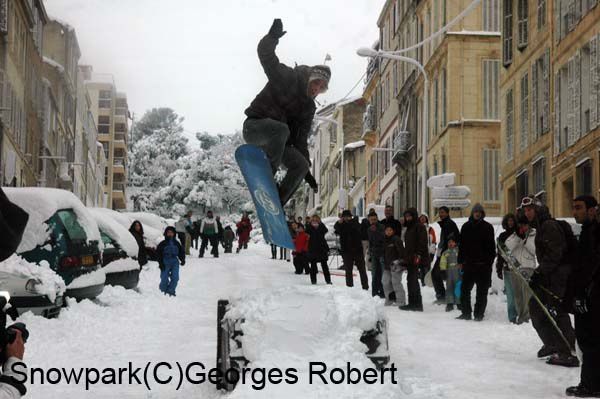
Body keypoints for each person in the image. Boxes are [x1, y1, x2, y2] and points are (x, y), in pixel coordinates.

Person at [243, 19, 328, 206]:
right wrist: (272, 37)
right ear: (309, 78)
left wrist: (307, 175)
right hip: (255, 128)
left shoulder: (308, 108)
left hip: (277, 145)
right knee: (281, 129)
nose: (316, 89)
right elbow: (265, 55)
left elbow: (300, 140)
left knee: (301, 164)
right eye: (316, 83)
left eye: (321, 88)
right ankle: (267, 177)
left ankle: (277, 202)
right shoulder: (286, 76)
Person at [522, 195, 578, 367]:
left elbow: (555, 254)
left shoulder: (549, 226)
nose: (527, 213)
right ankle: (552, 343)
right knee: (536, 307)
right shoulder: (540, 227)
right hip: (549, 275)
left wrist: (539, 273)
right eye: (525, 210)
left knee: (556, 311)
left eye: (530, 209)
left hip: (557, 276)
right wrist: (540, 274)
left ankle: (567, 352)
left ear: (538, 209)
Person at [566, 195, 600, 397]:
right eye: (573, 207)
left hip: (592, 299)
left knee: (590, 342)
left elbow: (592, 268)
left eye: (579, 207)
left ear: (592, 210)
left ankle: (592, 386)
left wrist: (583, 294)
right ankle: (589, 383)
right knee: (587, 342)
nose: (574, 211)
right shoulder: (586, 232)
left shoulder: (594, 234)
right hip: (587, 297)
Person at [456, 203, 496, 321]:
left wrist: (489, 262)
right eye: (475, 212)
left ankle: (479, 314)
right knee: (464, 290)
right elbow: (462, 246)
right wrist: (460, 261)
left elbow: (491, 248)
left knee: (482, 292)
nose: (477, 213)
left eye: (479, 212)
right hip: (469, 265)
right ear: (472, 213)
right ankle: (466, 313)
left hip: (483, 266)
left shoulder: (488, 227)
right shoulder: (466, 227)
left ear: (482, 214)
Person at [504, 213, 536, 324]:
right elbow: (507, 246)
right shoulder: (514, 235)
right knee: (517, 295)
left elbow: (534, 250)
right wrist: (518, 237)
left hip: (528, 267)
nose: (522, 227)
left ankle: (527, 318)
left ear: (528, 225)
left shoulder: (534, 234)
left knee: (527, 295)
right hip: (515, 268)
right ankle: (521, 316)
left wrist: (526, 240)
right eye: (520, 225)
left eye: (524, 225)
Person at [400, 208, 428, 312]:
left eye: (410, 216)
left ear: (414, 216)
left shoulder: (419, 227)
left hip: (416, 258)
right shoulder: (409, 228)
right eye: (406, 216)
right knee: (410, 280)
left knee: (413, 281)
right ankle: (412, 303)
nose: (408, 218)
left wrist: (419, 254)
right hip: (410, 258)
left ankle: (417, 304)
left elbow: (423, 242)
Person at [334, 210, 369, 290]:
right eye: (345, 217)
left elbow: (359, 229)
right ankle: (349, 287)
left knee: (362, 270)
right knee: (348, 270)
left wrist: (351, 222)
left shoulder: (355, 222)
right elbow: (336, 228)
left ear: (351, 216)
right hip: (346, 251)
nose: (346, 218)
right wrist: (339, 222)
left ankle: (365, 286)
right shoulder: (341, 225)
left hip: (357, 250)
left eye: (348, 216)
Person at [434, 207, 460, 303]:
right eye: (439, 212)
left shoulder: (449, 224)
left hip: (448, 254)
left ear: (447, 213)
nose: (441, 214)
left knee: (437, 274)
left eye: (443, 212)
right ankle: (444, 296)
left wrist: (446, 252)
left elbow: (453, 239)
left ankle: (444, 297)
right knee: (438, 274)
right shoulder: (445, 223)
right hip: (443, 253)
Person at [497, 213, 518, 323]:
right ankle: (512, 316)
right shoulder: (502, 236)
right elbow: (500, 254)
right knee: (510, 294)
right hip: (507, 268)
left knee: (519, 294)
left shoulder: (519, 234)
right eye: (508, 221)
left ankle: (521, 314)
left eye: (512, 220)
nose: (510, 223)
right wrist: (498, 268)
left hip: (519, 269)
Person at [156, 226, 185, 297]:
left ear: (174, 234)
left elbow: (181, 252)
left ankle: (171, 291)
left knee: (175, 277)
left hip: (174, 261)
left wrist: (182, 259)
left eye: (171, 232)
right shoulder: (162, 243)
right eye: (168, 232)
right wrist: (161, 263)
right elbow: (158, 254)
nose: (170, 234)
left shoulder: (177, 243)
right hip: (165, 261)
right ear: (166, 233)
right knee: (164, 277)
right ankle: (163, 290)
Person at [382, 225, 406, 307]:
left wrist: (400, 261)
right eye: (387, 230)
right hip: (387, 265)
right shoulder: (384, 240)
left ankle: (401, 300)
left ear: (393, 231)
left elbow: (402, 252)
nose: (388, 232)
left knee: (396, 282)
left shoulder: (396, 239)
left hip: (396, 265)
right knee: (385, 281)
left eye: (390, 230)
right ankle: (390, 299)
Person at [305, 215, 331, 285]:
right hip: (313, 249)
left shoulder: (321, 227)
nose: (315, 221)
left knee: (324, 266)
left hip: (322, 249)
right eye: (313, 219)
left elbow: (326, 230)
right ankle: (313, 281)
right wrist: (310, 224)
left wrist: (321, 223)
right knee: (313, 266)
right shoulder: (310, 227)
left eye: (317, 219)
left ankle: (328, 280)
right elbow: (306, 231)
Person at [367, 212, 386, 298]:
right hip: (374, 254)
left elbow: (384, 239)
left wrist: (376, 231)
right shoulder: (369, 229)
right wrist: (370, 254)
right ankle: (374, 292)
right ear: (369, 220)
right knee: (374, 274)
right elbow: (370, 242)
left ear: (377, 218)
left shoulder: (382, 227)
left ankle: (382, 292)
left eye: (374, 219)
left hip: (382, 253)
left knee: (382, 274)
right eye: (371, 220)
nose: (373, 221)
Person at [440, 236, 461, 312]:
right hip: (448, 272)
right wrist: (443, 270)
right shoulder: (445, 253)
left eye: (452, 242)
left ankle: (459, 302)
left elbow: (462, 260)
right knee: (449, 287)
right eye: (449, 242)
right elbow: (442, 262)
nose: (450, 243)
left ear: (455, 243)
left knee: (458, 286)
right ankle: (449, 303)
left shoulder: (458, 251)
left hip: (457, 271)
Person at [419, 214, 437, 287]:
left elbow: (434, 240)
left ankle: (427, 283)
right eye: (421, 218)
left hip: (428, 252)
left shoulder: (430, 229)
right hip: (419, 252)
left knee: (427, 268)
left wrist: (432, 250)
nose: (422, 219)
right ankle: (423, 283)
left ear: (426, 219)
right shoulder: (417, 228)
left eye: (424, 218)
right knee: (421, 268)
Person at [360, 208, 375, 274]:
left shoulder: (375, 221)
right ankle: (361, 265)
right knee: (362, 253)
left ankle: (369, 267)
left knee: (369, 254)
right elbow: (361, 229)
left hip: (371, 239)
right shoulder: (364, 221)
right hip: (364, 239)